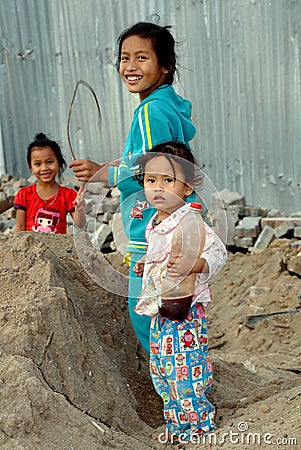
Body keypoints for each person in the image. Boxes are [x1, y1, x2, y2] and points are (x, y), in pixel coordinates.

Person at [69, 21, 196, 353]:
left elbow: (155, 167)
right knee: (173, 314)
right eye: (125, 58)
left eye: (142, 58)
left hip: (152, 232)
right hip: (172, 228)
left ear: (166, 66)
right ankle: (187, 380)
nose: (130, 66)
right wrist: (105, 171)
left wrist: (104, 174)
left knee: (147, 316)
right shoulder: (166, 106)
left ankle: (174, 389)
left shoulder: (150, 112)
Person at [132, 142, 227, 443]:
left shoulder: (191, 222)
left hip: (184, 314)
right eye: (151, 180)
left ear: (187, 187)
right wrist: (145, 262)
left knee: (186, 372)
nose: (158, 187)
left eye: (168, 180)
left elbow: (219, 253)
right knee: (162, 369)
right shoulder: (155, 222)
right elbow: (160, 253)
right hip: (161, 311)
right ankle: (176, 425)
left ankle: (198, 427)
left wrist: (196, 263)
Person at [14, 133, 85, 233]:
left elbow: (80, 225)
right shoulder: (24, 194)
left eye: (49, 162)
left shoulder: (68, 195)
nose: (44, 168)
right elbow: (19, 230)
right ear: (31, 167)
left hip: (58, 248)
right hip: (31, 248)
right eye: (37, 164)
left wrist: (80, 209)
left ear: (59, 163)